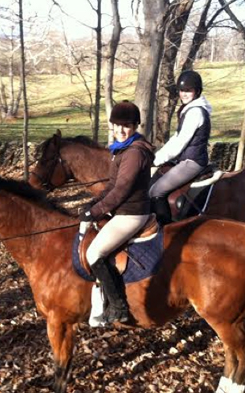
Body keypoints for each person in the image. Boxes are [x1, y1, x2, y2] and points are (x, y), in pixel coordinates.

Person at [80, 100, 154, 324]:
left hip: (132, 214)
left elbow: (121, 191)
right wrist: (92, 205)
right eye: (117, 125)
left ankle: (119, 307)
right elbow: (111, 186)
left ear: (135, 126)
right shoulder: (121, 149)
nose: (121, 130)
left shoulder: (134, 153)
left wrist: (96, 212)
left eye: (127, 126)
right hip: (122, 210)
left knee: (94, 254)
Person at [149, 70, 213, 225]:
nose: (184, 94)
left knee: (155, 191)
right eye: (182, 90)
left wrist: (155, 160)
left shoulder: (195, 112)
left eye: (188, 90)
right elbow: (175, 138)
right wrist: (156, 156)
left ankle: (163, 230)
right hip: (186, 158)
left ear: (197, 91)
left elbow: (180, 143)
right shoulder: (190, 109)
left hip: (192, 162)